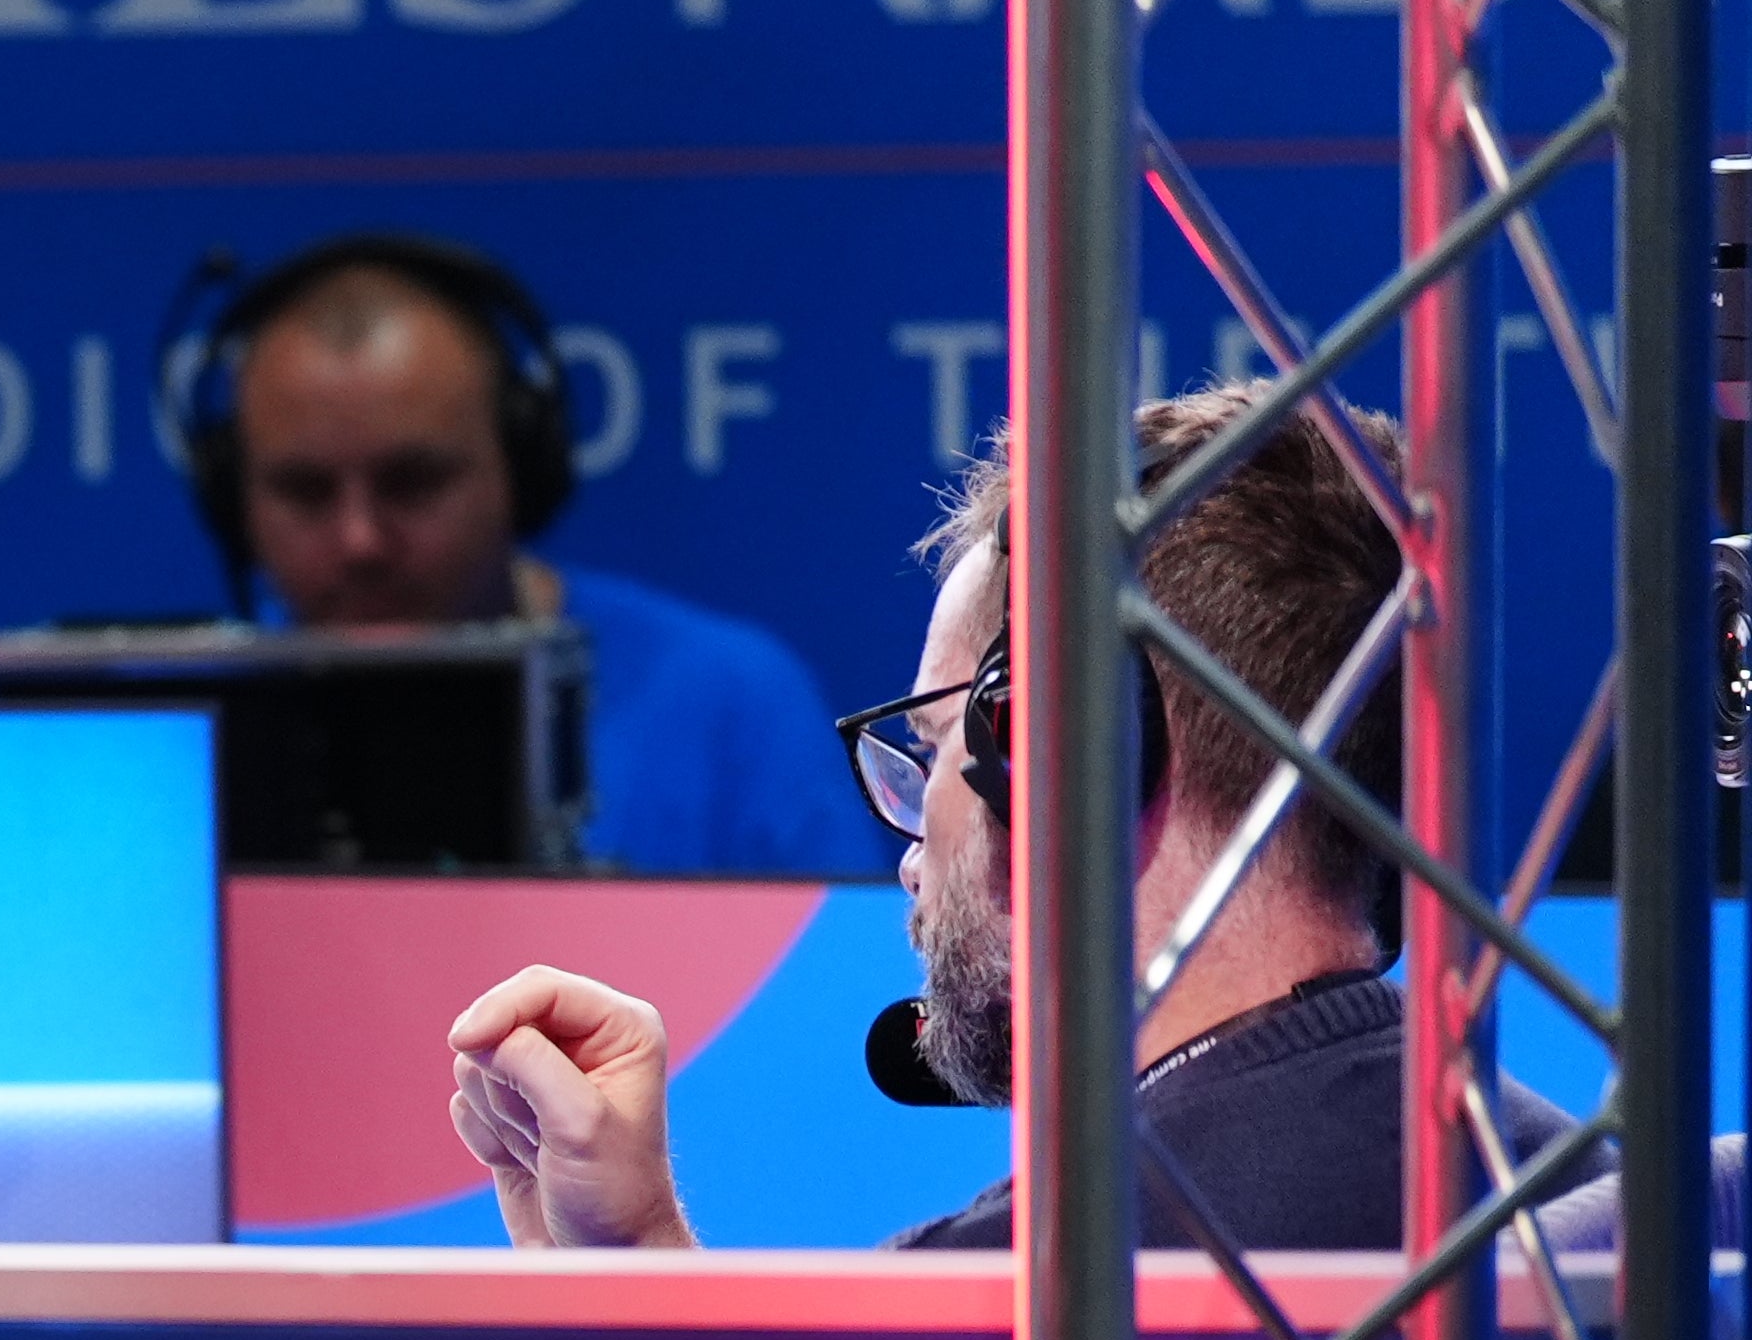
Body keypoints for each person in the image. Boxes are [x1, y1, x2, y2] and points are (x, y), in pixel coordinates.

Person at [446, 382, 1564, 1252]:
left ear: (1062, 754)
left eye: (926, 752)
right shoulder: (1586, 1213)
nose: (909, 856)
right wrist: (636, 1250)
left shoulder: (1009, 1321)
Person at [186, 233, 871, 877]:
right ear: (233, 499)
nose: (360, 540)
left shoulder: (732, 705)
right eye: (304, 492)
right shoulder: (189, 742)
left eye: (413, 482)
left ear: (519, 468)